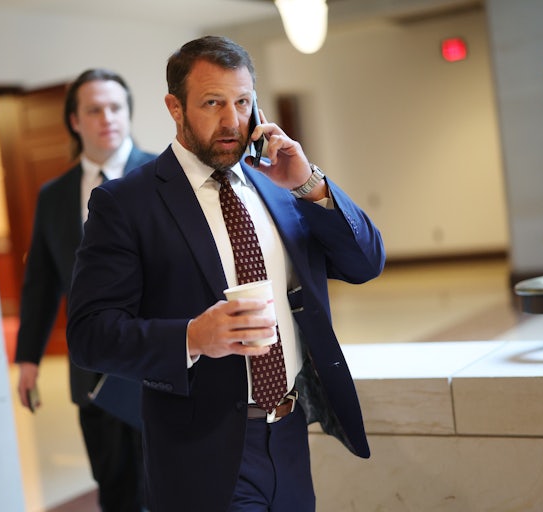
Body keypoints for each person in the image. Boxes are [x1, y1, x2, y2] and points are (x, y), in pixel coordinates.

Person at [66, 36, 385, 512]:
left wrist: (311, 184)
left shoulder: (280, 182)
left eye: (242, 102)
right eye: (213, 103)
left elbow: (365, 264)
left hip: (290, 435)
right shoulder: (127, 203)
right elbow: (90, 335)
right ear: (175, 107)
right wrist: (192, 336)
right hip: (202, 452)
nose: (232, 120)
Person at [14, 68, 155, 512]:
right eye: (94, 110)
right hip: (91, 370)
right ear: (75, 121)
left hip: (159, 362)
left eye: (116, 108)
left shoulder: (163, 176)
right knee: (113, 486)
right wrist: (28, 358)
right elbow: (41, 280)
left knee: (170, 486)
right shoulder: (53, 195)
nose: (107, 118)